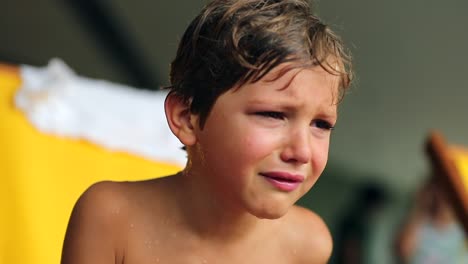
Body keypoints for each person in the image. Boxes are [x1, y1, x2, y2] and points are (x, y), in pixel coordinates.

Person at [61, 0, 352, 263]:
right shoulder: (113, 220)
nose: (301, 151)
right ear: (187, 118)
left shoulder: (308, 244)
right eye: (272, 115)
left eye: (321, 124)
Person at [395, 176, 468, 263]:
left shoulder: (461, 227)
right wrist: (420, 207)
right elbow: (402, 250)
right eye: (440, 191)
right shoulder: (420, 223)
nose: (444, 198)